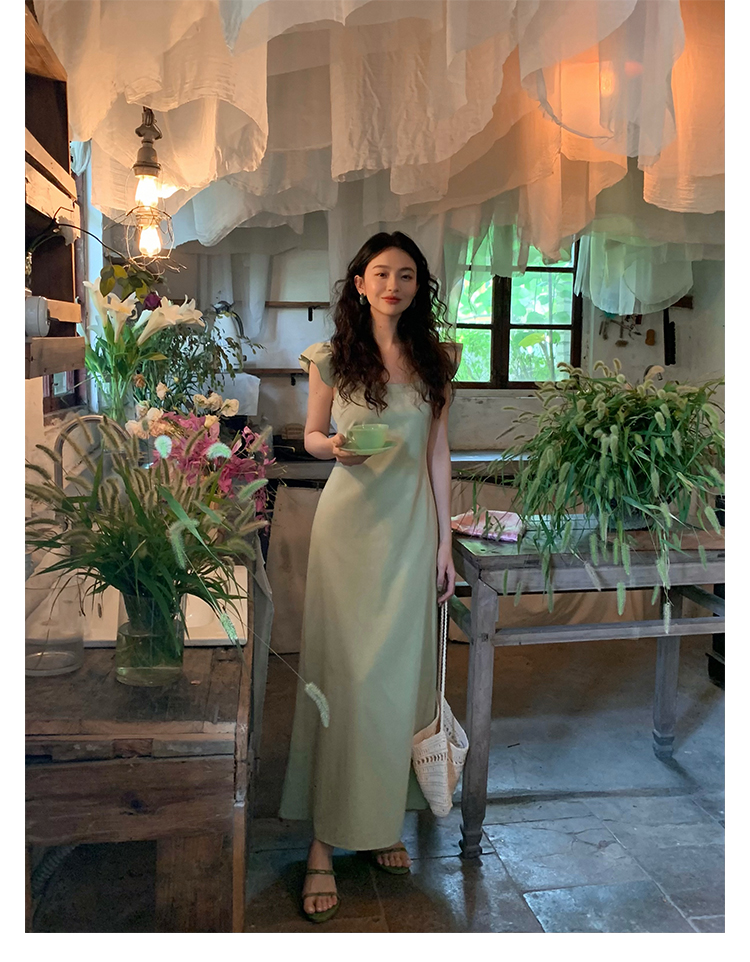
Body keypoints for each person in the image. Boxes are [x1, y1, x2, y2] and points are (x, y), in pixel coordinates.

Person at [278, 231, 458, 923]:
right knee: (345, 680)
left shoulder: (438, 359)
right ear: (359, 283)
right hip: (348, 533)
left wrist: (444, 543)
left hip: (411, 535)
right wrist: (334, 448)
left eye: (406, 275)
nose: (393, 285)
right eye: (381, 273)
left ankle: (383, 821)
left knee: (396, 683)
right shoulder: (331, 357)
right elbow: (311, 435)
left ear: (418, 286)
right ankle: (324, 842)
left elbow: (438, 453)